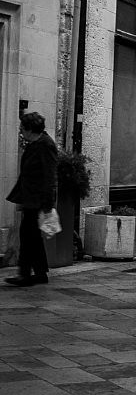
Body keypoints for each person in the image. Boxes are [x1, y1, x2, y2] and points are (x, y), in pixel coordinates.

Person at [4, 111, 58, 288]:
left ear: (30, 130)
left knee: (28, 236)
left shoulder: (45, 145)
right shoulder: (35, 143)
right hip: (30, 198)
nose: (20, 132)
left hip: (38, 199)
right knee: (32, 237)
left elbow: (50, 176)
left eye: (22, 129)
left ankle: (25, 274)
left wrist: (48, 205)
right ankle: (40, 273)